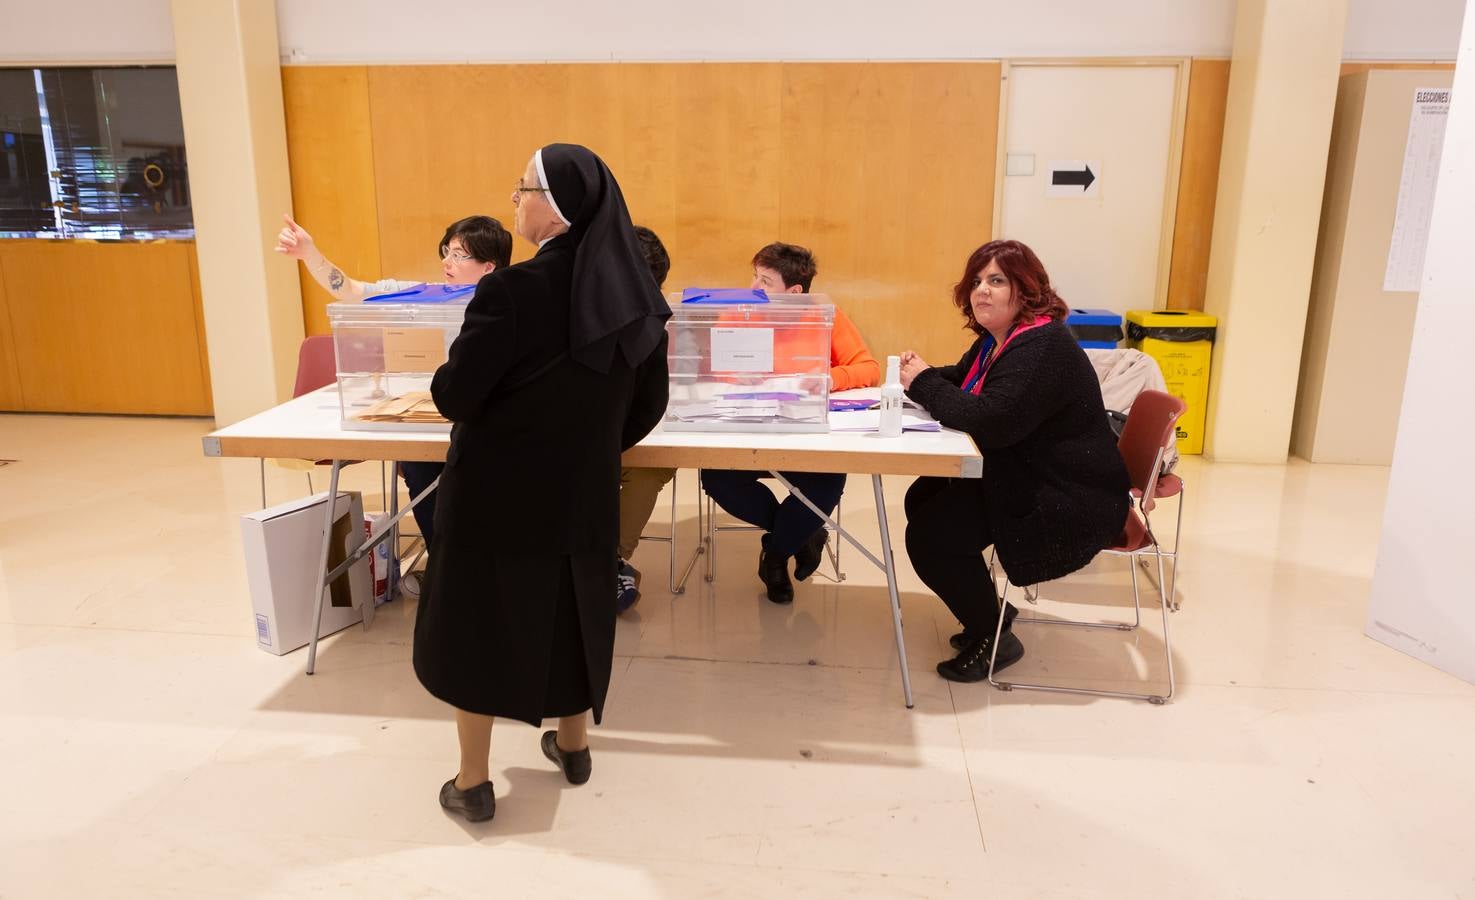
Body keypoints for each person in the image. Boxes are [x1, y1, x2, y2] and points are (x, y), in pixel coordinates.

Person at [413, 144, 670, 823]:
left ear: (553, 207)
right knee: (574, 611)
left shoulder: (509, 291)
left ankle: (472, 782)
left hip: (494, 494)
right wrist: (584, 447)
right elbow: (647, 407)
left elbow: (457, 395)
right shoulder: (638, 301)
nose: (514, 200)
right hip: (582, 490)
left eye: (521, 188)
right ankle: (575, 746)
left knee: (478, 624)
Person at [898, 239, 1130, 683]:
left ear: (1025, 291)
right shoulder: (1000, 341)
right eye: (977, 281)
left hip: (1064, 493)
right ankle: (987, 611)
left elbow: (992, 421)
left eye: (996, 280)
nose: (981, 290)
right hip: (1028, 469)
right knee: (924, 496)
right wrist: (918, 376)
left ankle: (995, 635)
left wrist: (923, 382)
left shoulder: (1040, 346)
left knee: (930, 537)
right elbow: (966, 381)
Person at [274, 213, 513, 572]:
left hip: (489, 426)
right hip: (429, 420)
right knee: (418, 464)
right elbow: (351, 291)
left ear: (489, 266)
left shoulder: (512, 305)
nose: (447, 262)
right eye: (446, 251)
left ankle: (485, 568)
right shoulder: (422, 297)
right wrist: (311, 254)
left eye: (460, 255)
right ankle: (446, 567)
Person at [700, 242, 880, 604]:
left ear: (795, 292)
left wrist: (829, 377)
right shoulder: (738, 312)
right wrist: (735, 375)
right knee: (717, 478)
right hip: (746, 430)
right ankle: (801, 535)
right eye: (754, 275)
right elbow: (710, 366)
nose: (753, 286)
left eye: (765, 281)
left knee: (827, 482)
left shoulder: (825, 316)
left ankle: (777, 554)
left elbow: (868, 369)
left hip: (803, 432)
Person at [616, 226, 677, 613]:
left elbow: (650, 404)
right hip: (567, 441)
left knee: (651, 467)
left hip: (620, 438)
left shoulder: (654, 328)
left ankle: (611, 559)